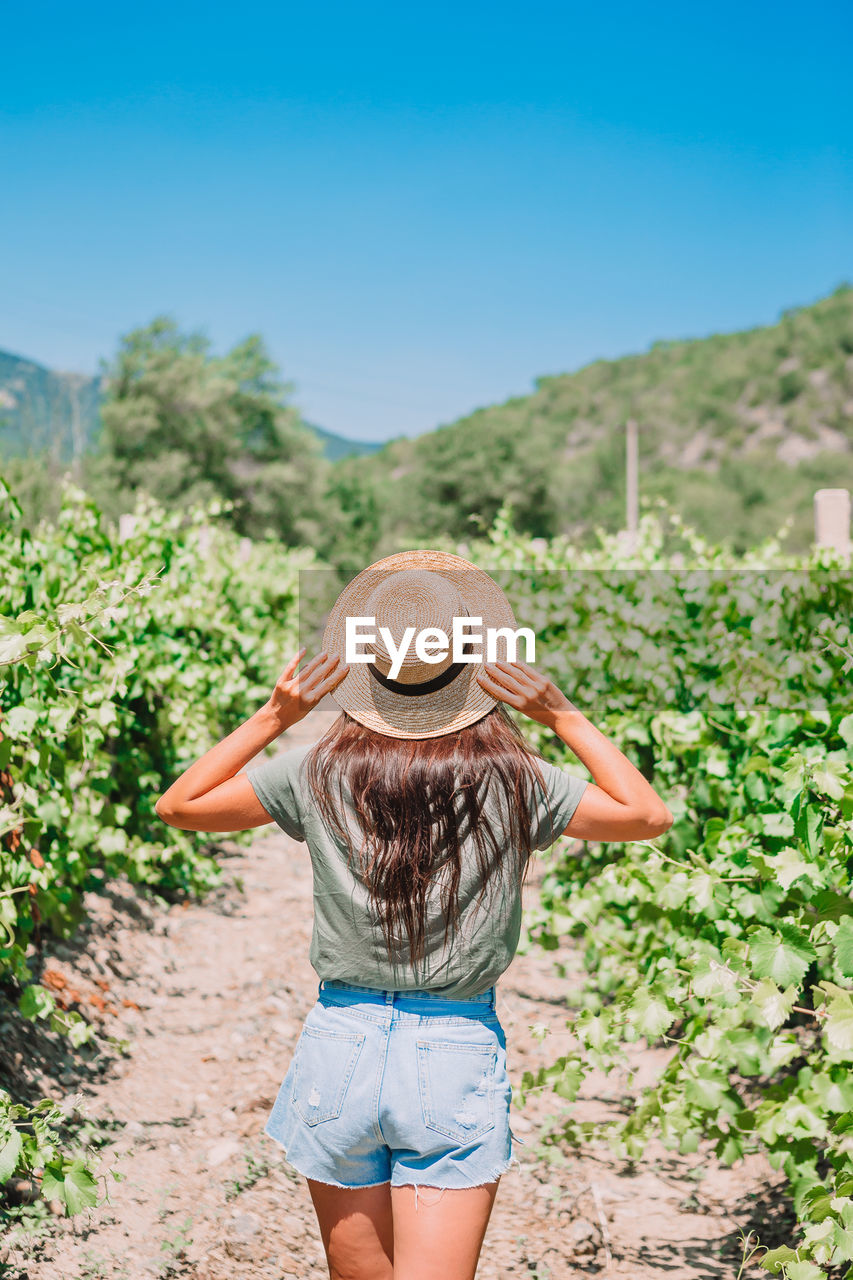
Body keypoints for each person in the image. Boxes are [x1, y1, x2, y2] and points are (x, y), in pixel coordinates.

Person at [155, 549, 673, 1280]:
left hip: (340, 1042)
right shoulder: (514, 778)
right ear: (472, 666)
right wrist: (560, 713)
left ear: (368, 670)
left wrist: (279, 714)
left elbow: (179, 805)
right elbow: (646, 815)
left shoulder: (316, 770)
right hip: (453, 1049)